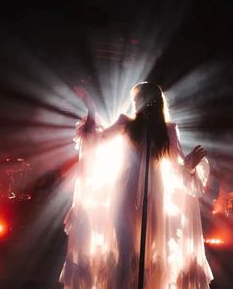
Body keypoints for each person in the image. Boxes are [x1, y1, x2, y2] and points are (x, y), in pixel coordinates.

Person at [59, 82, 213, 289]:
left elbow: (178, 171)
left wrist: (189, 165)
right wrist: (91, 109)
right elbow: (94, 141)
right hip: (124, 195)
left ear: (152, 101)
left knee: (149, 256)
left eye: (139, 98)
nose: (136, 103)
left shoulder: (169, 130)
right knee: (126, 253)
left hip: (155, 199)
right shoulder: (125, 123)